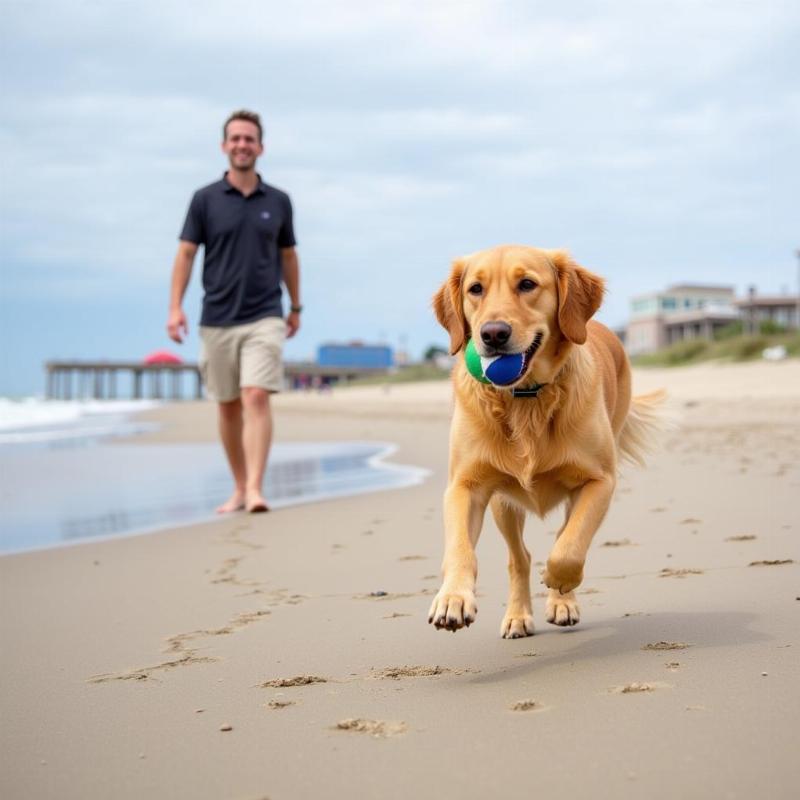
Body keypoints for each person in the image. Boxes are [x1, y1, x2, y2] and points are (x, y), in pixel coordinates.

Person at [167, 109, 302, 514]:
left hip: (265, 314)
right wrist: (175, 307)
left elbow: (289, 256)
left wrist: (294, 306)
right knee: (227, 404)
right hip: (217, 317)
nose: (242, 145)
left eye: (249, 139)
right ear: (225, 146)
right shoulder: (204, 200)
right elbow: (186, 253)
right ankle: (240, 487)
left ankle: (257, 489)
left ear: (260, 147)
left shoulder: (278, 201)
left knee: (256, 395)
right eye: (235, 138)